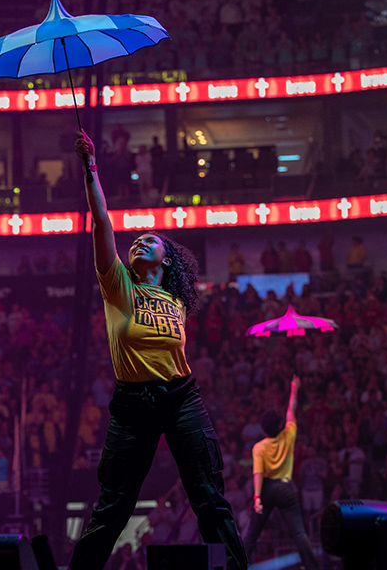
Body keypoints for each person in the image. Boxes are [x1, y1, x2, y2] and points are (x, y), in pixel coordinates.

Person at [69, 130, 247, 570]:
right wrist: (91, 167)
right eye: (137, 241)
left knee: (209, 496)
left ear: (166, 261)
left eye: (151, 240)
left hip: (182, 397)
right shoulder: (118, 286)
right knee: (113, 506)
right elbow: (103, 222)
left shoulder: (177, 299)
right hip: (134, 402)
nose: (140, 241)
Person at [243, 376, 318, 570]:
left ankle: (237, 567)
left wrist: (257, 497)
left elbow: (258, 473)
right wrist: (294, 388)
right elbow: (291, 410)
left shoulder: (259, 447)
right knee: (300, 534)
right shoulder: (288, 435)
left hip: (267, 488)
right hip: (285, 487)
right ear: (279, 426)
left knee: (251, 536)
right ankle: (313, 568)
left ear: (263, 428)